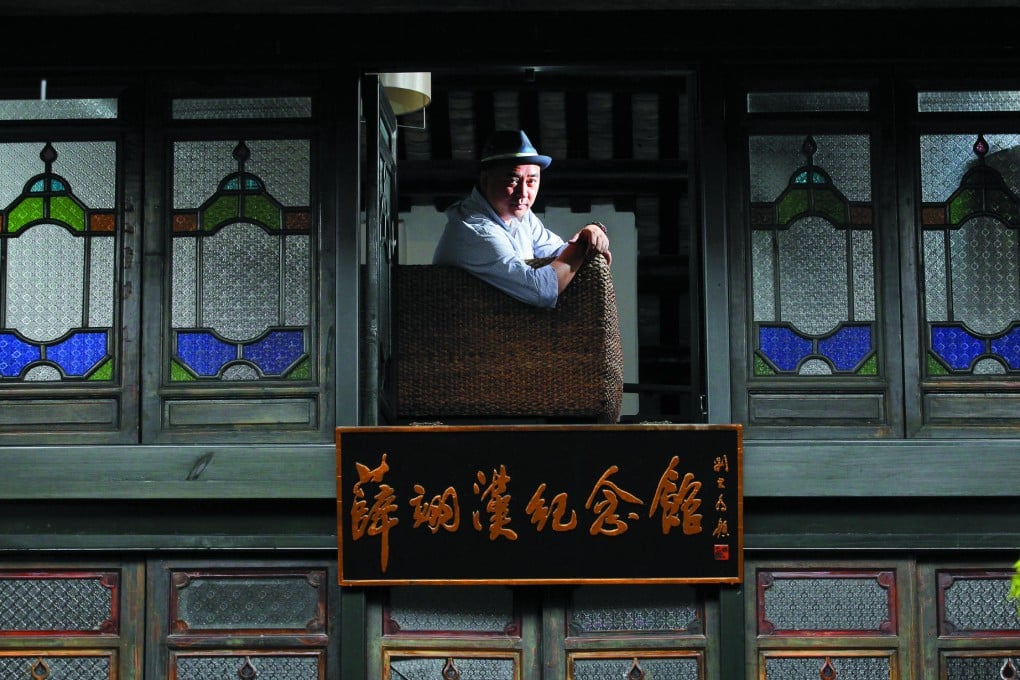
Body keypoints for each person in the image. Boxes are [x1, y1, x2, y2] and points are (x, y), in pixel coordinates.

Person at [432, 129, 612, 308]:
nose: (523, 193)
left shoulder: (522, 217)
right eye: (513, 181)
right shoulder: (474, 229)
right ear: (485, 180)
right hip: (466, 332)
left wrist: (592, 231)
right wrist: (582, 246)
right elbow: (541, 290)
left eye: (531, 181)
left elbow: (558, 252)